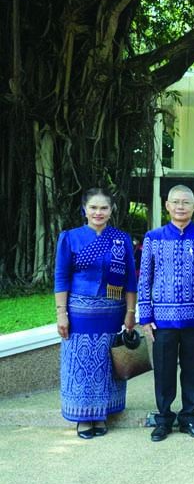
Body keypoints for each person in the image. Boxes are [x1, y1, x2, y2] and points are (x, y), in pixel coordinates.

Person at [138, 185, 194, 442]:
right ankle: (163, 419)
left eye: (186, 202)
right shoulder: (153, 238)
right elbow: (145, 279)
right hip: (162, 319)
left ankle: (188, 417)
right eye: (175, 202)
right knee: (163, 369)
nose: (180, 206)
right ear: (167, 206)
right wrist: (145, 315)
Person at [54, 188, 137, 439]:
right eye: (93, 207)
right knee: (81, 362)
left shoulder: (121, 240)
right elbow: (61, 277)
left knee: (106, 363)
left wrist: (130, 312)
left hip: (113, 312)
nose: (98, 212)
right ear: (84, 210)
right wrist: (61, 313)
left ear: (111, 211)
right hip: (79, 313)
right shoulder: (70, 238)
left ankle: (102, 414)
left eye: (104, 208)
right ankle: (82, 416)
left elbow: (131, 280)